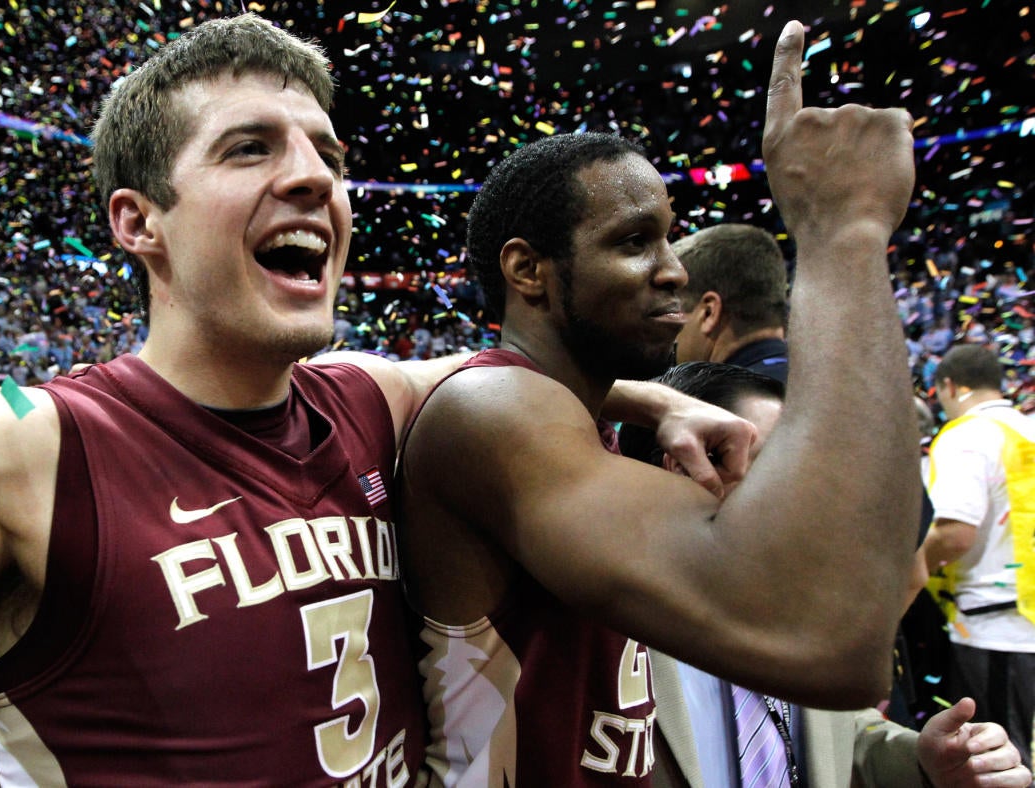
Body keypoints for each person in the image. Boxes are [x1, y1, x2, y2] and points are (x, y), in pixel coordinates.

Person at [0, 13, 755, 786]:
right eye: (249, 148)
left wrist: (660, 401)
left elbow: (509, 375)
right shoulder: (15, 448)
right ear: (136, 222)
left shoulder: (369, 395)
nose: (314, 174)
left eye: (324, 147)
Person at [398, 22, 923, 785]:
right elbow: (826, 637)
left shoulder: (572, 415)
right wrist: (845, 228)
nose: (675, 270)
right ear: (529, 270)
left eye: (672, 238)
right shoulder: (495, 410)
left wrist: (645, 401)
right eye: (635, 240)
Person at [619, 362, 1031, 788]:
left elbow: (843, 740)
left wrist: (925, 762)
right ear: (685, 466)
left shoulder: (804, 616)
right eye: (781, 466)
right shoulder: (603, 628)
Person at [924, 344, 1035, 768]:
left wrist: (911, 571)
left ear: (949, 386)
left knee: (997, 761)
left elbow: (954, 533)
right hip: (1024, 615)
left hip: (991, 624)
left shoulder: (967, 435)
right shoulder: (1026, 428)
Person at [671, 222, 791, 382]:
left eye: (671, 311)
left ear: (709, 312)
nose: (670, 338)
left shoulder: (716, 401)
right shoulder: (825, 384)